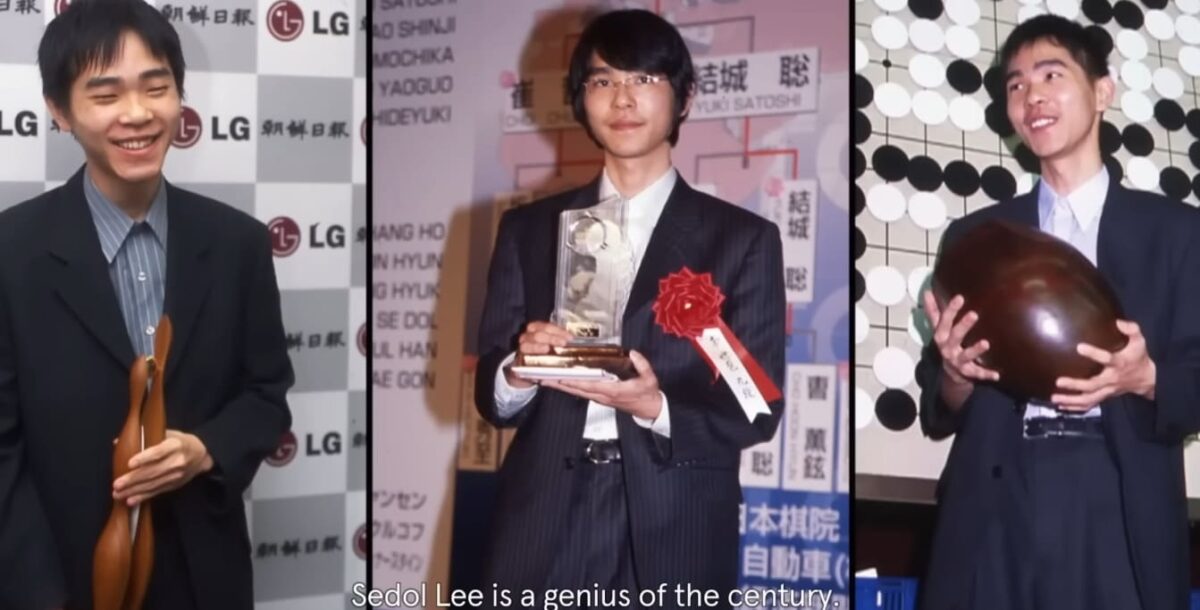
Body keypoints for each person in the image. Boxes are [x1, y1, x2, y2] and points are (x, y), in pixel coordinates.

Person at [474, 8, 785, 608]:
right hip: (543, 512)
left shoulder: (741, 240)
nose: (622, 98)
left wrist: (656, 405)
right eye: (602, 80)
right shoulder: (529, 229)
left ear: (684, 97)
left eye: (644, 79)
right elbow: (494, 398)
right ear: (580, 100)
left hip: (675, 513)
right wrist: (517, 370)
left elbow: (757, 406)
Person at [0, 1, 294, 608]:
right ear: (60, 112)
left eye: (156, 87)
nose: (137, 114)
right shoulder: (12, 251)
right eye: (104, 95)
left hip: (202, 577)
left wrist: (204, 450)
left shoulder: (237, 242)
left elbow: (265, 394)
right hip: (58, 576)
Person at [917, 14, 1200, 610]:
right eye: (1016, 85)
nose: (1032, 97)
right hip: (997, 495)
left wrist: (1148, 379)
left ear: (1102, 91)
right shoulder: (976, 238)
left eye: (1052, 75)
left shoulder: (1176, 232)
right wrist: (954, 373)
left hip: (1117, 496)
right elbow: (940, 407)